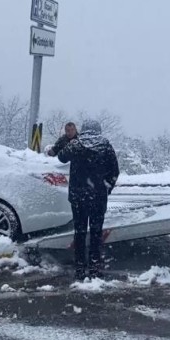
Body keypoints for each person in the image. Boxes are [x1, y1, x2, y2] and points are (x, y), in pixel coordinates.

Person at [57, 120, 119, 280]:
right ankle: (94, 267)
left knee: (79, 232)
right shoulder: (105, 145)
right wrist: (106, 187)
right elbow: (115, 170)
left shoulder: (76, 144)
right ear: (98, 130)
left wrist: (68, 141)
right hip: (98, 197)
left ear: (83, 130)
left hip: (78, 197)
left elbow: (61, 157)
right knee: (96, 232)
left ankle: (79, 268)